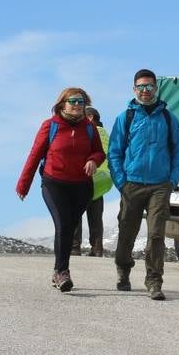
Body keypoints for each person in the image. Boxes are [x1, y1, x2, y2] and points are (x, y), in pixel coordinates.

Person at [16, 87, 105, 293]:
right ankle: (62, 271)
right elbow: (35, 155)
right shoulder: (50, 126)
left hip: (82, 186)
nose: (77, 105)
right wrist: (24, 184)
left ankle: (58, 271)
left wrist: (93, 160)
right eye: (72, 101)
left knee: (69, 227)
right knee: (63, 224)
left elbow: (99, 153)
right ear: (62, 104)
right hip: (54, 183)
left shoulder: (89, 128)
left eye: (81, 102)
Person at [108, 68, 179, 300]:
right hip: (131, 184)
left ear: (156, 88)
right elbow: (114, 152)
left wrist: (172, 180)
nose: (145, 91)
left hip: (160, 185)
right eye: (140, 87)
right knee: (126, 233)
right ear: (134, 89)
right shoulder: (125, 118)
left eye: (149, 86)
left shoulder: (169, 118)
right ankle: (123, 269)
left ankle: (154, 281)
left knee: (156, 235)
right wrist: (121, 182)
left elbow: (178, 152)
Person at [70, 106, 110, 257]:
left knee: (76, 213)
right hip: (103, 181)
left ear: (91, 118)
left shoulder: (89, 132)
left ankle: (74, 247)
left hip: (86, 176)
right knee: (96, 217)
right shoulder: (106, 134)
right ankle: (97, 248)